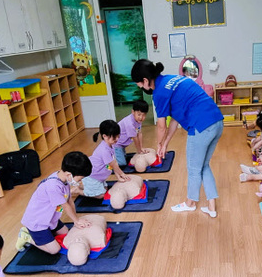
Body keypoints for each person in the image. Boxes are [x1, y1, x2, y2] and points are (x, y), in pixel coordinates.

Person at [131, 59, 224, 218]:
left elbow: (161, 126)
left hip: (200, 125)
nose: (139, 87)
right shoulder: (173, 79)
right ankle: (211, 207)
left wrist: (158, 145)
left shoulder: (159, 92)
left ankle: (190, 203)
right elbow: (174, 120)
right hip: (217, 121)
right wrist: (165, 143)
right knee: (204, 165)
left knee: (194, 168)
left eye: (139, 83)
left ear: (145, 81)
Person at [16, 151, 92, 254]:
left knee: (65, 233)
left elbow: (69, 201)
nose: (80, 182)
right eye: (80, 179)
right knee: (54, 250)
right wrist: (76, 221)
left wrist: (76, 219)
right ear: (69, 174)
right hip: (38, 222)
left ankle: (47, 233)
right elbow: (65, 206)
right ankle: (27, 236)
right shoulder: (53, 186)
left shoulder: (64, 179)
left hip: (50, 217)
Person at [79, 120, 129, 199]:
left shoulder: (111, 145)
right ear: (105, 136)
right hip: (92, 176)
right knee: (101, 195)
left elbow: (114, 162)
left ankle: (86, 186)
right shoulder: (104, 150)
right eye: (114, 137)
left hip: (99, 177)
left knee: (105, 189)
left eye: (118, 136)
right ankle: (77, 190)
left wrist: (118, 176)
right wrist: (122, 174)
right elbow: (113, 165)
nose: (117, 139)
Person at [114, 100, 149, 167]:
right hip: (116, 145)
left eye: (143, 115)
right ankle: (107, 161)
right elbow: (135, 138)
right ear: (133, 112)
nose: (141, 117)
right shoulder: (129, 123)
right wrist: (139, 151)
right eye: (139, 114)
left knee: (124, 158)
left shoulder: (138, 120)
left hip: (122, 145)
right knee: (122, 164)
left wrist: (141, 147)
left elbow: (139, 133)